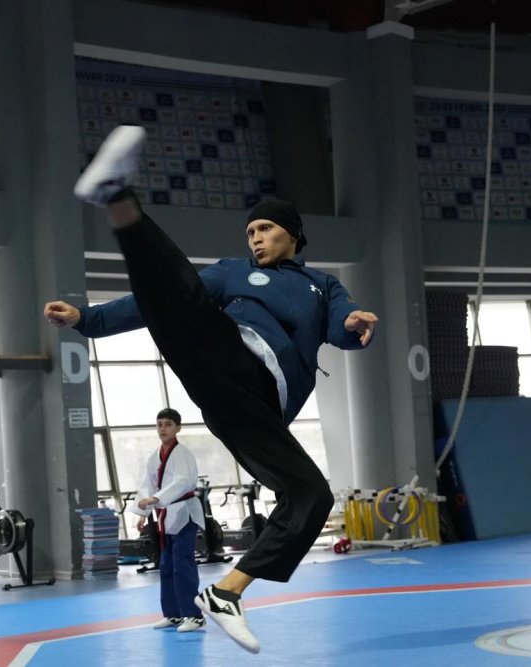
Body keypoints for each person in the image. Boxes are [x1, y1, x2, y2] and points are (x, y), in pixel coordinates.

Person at [44, 125, 378, 654]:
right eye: (250, 232)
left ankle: (227, 593)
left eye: (265, 229)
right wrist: (88, 318)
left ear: (292, 233)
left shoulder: (322, 284)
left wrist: (355, 323)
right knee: (175, 296)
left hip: (260, 408)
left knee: (311, 496)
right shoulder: (232, 274)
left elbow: (341, 325)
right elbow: (158, 299)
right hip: (223, 359)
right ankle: (116, 196)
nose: (255, 239)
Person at [130, 408, 206, 633]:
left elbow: (184, 481)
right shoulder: (154, 455)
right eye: (159, 424)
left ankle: (194, 616)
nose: (163, 428)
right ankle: (173, 614)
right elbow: (148, 484)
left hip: (184, 513)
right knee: (166, 566)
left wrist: (156, 499)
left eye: (168, 424)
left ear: (178, 428)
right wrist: (143, 513)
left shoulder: (183, 453)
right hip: (165, 515)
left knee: (182, 564)